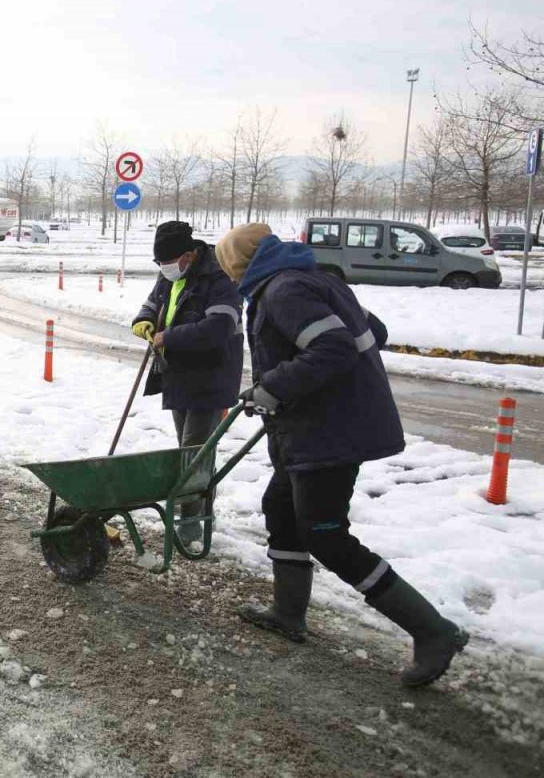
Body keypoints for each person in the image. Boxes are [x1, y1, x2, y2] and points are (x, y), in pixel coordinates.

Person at [215, 223, 467, 687]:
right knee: (281, 507)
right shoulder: (313, 278)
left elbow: (334, 348)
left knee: (327, 536)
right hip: (313, 428)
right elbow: (374, 331)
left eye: (228, 266)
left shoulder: (283, 290)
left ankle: (434, 631)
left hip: (328, 434)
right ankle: (288, 613)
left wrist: (274, 385)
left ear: (240, 263)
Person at [130, 221, 243, 546]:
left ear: (190, 255)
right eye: (159, 264)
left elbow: (219, 327)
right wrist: (144, 322)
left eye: (167, 263)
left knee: (195, 452)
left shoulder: (220, 277)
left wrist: (169, 336)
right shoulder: (170, 274)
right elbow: (153, 303)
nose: (163, 269)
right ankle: (196, 513)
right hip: (178, 375)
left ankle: (192, 522)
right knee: (188, 450)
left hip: (211, 377)